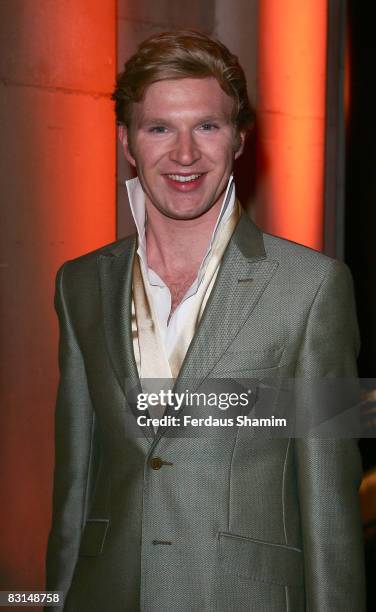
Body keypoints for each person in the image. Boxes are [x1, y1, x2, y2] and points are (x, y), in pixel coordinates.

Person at [45, 30, 366, 611]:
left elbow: (332, 511)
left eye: (208, 127)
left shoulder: (315, 287)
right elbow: (74, 488)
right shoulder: (80, 285)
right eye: (160, 128)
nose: (185, 154)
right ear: (127, 142)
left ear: (239, 139)